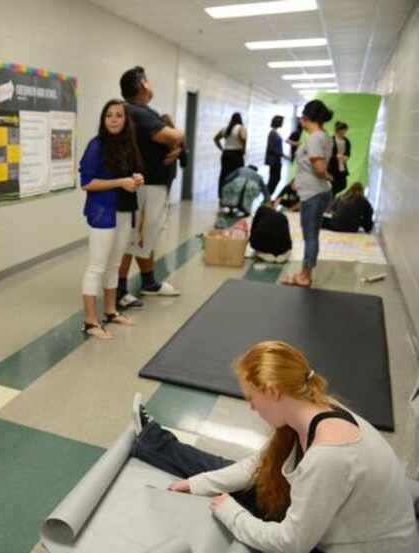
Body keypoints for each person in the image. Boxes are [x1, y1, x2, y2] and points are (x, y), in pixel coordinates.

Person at [130, 340, 419, 553]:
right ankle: (154, 440)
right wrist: (197, 484)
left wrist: (231, 513)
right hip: (333, 528)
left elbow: (291, 543)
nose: (252, 407)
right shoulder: (316, 409)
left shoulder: (329, 456)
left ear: (272, 392)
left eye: (251, 397)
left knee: (239, 503)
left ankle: (153, 441)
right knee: (241, 476)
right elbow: (258, 466)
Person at [115, 66, 183, 309]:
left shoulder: (139, 112)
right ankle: (119, 290)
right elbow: (172, 135)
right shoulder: (137, 112)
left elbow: (169, 140)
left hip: (151, 186)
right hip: (144, 187)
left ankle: (148, 282)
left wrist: (176, 144)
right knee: (131, 238)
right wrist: (179, 136)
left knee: (146, 237)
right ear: (143, 84)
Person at [79, 99, 144, 339]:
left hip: (125, 210)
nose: (114, 119)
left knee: (114, 264)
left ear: (126, 120)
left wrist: (136, 179)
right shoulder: (96, 146)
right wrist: (120, 182)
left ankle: (110, 311)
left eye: (118, 115)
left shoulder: (129, 145)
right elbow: (87, 183)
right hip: (103, 212)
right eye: (109, 116)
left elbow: (130, 175)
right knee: (96, 266)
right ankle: (89, 321)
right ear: (103, 120)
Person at [283, 100, 334, 288]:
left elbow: (319, 168)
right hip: (315, 191)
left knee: (310, 236)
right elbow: (313, 165)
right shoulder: (323, 136)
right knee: (311, 234)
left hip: (314, 193)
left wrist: (326, 175)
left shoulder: (314, 138)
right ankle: (305, 272)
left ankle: (305, 276)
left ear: (306, 118)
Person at [214, 112, 247, 205]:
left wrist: (222, 149)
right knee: (237, 176)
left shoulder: (226, 129)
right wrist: (244, 150)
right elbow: (244, 139)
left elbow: (215, 139)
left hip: (226, 154)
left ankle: (222, 197)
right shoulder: (241, 128)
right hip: (237, 154)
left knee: (224, 175)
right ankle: (235, 198)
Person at [328, 121, 351, 197]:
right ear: (338, 130)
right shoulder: (331, 140)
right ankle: (330, 200)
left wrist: (346, 157)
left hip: (342, 166)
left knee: (343, 185)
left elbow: (348, 153)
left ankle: (331, 197)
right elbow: (327, 153)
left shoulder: (347, 141)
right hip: (332, 167)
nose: (344, 132)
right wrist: (335, 156)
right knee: (332, 185)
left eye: (345, 131)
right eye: (343, 130)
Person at [265, 115, 285, 198]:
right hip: (274, 161)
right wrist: (281, 154)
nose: (282, 123)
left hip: (276, 160)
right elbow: (271, 148)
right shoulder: (272, 133)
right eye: (281, 121)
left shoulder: (275, 133)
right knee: (274, 180)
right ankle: (267, 196)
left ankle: (267, 196)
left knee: (274, 179)